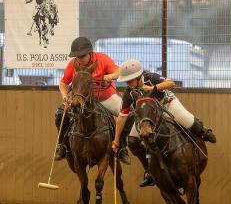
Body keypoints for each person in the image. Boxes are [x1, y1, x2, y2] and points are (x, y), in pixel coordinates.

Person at [112, 59, 216, 187]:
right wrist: (116, 140)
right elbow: (122, 117)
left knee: (189, 121)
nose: (128, 84)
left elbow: (170, 83)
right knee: (132, 141)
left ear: (139, 76)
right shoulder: (129, 93)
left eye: (130, 80)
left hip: (167, 104)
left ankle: (203, 131)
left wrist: (152, 88)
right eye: (126, 81)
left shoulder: (151, 77)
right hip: (149, 116)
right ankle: (149, 171)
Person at [54, 37, 132, 164]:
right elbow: (63, 83)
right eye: (77, 56)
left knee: (130, 114)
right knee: (60, 113)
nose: (80, 59)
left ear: (90, 53)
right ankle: (61, 146)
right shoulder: (73, 64)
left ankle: (122, 147)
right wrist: (64, 96)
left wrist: (110, 76)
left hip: (105, 98)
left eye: (82, 56)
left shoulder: (102, 59)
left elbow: (119, 72)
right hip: (81, 100)